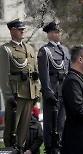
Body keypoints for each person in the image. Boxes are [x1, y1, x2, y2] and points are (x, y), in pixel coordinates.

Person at [0, 19, 39, 151]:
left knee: (24, 126)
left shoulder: (30, 48)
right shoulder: (6, 49)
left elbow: (35, 72)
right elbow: (3, 74)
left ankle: (20, 148)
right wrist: (8, 96)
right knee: (12, 126)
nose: (23, 31)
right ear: (12, 31)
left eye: (23, 29)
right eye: (19, 29)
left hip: (29, 91)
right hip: (16, 93)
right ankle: (10, 149)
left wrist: (36, 92)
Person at [38, 22, 71, 153]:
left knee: (62, 121)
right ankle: (50, 147)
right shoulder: (44, 50)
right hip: (53, 90)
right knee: (50, 121)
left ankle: (60, 144)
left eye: (59, 31)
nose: (59, 34)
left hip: (63, 89)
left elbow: (68, 71)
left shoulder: (65, 49)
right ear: (50, 34)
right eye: (56, 32)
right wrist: (47, 92)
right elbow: (44, 73)